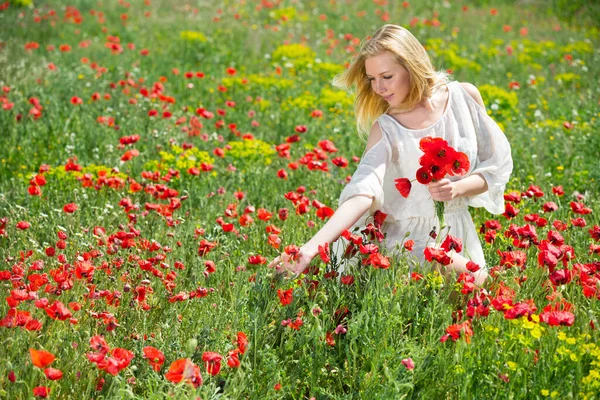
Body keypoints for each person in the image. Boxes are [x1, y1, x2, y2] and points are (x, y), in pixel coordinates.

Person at [269, 24, 512, 286]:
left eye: (386, 76)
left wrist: (457, 188)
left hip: (456, 229)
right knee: (476, 279)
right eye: (372, 79)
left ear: (411, 66)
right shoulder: (386, 128)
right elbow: (362, 193)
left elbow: (494, 169)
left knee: (465, 313)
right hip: (408, 241)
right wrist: (309, 249)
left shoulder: (464, 97)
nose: (379, 88)